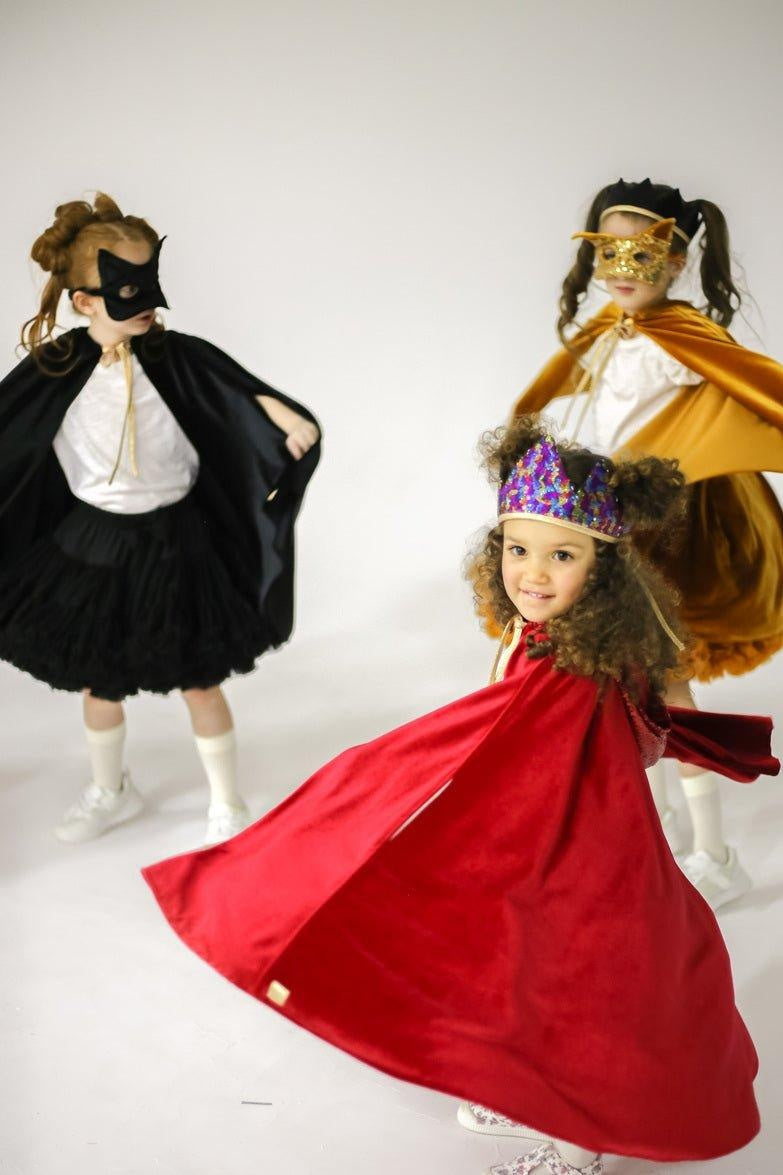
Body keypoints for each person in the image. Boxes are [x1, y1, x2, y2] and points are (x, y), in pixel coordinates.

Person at [143, 416, 777, 1174]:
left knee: (573, 987)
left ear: (603, 571)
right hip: (538, 837)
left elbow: (559, 747)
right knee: (511, 966)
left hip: (580, 852)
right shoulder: (545, 637)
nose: (532, 573)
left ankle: (576, 1149)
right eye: (517, 548)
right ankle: (524, 1091)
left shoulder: (574, 666)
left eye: (562, 555)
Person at [0, 193, 320, 845]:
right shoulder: (56, 367)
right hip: (91, 541)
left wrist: (285, 416)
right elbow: (13, 427)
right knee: (101, 680)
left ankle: (226, 800)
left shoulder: (178, 358)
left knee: (199, 677)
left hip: (177, 540)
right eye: (127, 289)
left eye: (150, 281)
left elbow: (235, 392)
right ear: (85, 300)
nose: (149, 300)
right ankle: (110, 790)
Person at [501, 178, 783, 907]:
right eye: (607, 251)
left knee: (666, 682)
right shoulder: (607, 331)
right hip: (613, 527)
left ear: (677, 260)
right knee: (624, 685)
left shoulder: (683, 340)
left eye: (643, 253)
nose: (622, 269)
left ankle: (714, 853)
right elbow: (568, 398)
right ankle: (658, 829)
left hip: (670, 533)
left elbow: (758, 391)